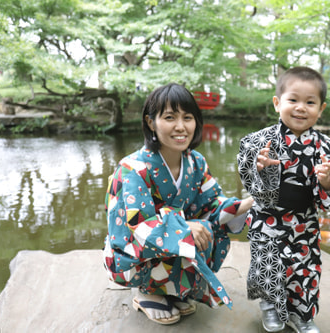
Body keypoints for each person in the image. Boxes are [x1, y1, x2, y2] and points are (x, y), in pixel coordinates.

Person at [103, 83, 253, 325]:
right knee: (186, 232)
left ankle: (174, 289)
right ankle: (147, 292)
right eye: (170, 117)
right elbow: (139, 227)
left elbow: (211, 204)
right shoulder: (132, 168)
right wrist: (183, 228)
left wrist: (247, 203)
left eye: (188, 117)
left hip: (170, 247)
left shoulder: (196, 162)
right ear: (151, 122)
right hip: (133, 252)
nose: (181, 126)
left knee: (209, 228)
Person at [237, 67, 330, 333]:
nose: (300, 108)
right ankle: (270, 307)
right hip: (267, 217)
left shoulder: (328, 147)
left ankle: (301, 314)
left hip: (304, 220)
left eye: (310, 102)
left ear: (321, 108)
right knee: (269, 264)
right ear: (277, 102)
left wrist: (329, 180)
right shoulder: (256, 142)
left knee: (304, 269)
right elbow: (248, 181)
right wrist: (261, 169)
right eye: (293, 100)